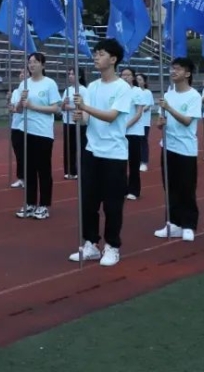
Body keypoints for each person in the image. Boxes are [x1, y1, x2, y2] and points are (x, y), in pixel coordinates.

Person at [69, 38, 133, 267]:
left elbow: (111, 116)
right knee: (88, 202)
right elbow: (88, 119)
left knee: (112, 204)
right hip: (92, 151)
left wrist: (85, 107)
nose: (96, 57)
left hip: (114, 154)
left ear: (113, 59)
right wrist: (80, 116)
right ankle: (91, 244)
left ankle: (112, 246)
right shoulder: (93, 87)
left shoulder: (123, 88)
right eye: (95, 53)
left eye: (101, 54)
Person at [154, 57, 202, 241]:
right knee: (170, 187)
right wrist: (160, 123)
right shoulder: (168, 95)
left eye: (178, 69)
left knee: (186, 188)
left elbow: (187, 121)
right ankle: (173, 223)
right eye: (172, 68)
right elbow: (161, 122)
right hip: (168, 147)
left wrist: (169, 108)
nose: (173, 72)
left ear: (187, 73)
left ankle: (188, 224)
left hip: (185, 149)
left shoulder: (194, 96)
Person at [15, 52, 62, 220]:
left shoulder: (49, 83)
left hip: (43, 132)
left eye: (35, 62)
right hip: (25, 130)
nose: (32, 65)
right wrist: (21, 102)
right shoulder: (24, 84)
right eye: (30, 62)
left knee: (43, 169)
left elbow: (56, 108)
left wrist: (33, 106)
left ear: (43, 65)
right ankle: (30, 203)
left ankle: (43, 205)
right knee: (28, 169)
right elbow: (18, 110)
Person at [120, 67, 147, 200]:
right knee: (120, 161)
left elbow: (138, 113)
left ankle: (134, 190)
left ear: (133, 77)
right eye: (123, 75)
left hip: (133, 132)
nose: (125, 77)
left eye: (128, 75)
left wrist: (125, 126)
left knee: (133, 162)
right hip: (120, 132)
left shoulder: (137, 91)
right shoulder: (119, 91)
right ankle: (123, 188)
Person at [60, 67, 88, 180]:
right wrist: (64, 103)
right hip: (67, 122)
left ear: (79, 76)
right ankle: (69, 171)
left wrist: (71, 107)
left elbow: (86, 107)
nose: (70, 76)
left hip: (79, 122)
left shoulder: (83, 90)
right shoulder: (67, 90)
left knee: (80, 147)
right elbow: (62, 107)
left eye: (73, 74)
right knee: (68, 147)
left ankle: (81, 170)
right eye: (69, 74)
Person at [7, 68, 28, 189]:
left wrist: (15, 109)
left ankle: (26, 177)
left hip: (24, 125)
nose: (21, 75)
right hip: (15, 125)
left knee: (24, 153)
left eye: (24, 73)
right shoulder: (16, 91)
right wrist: (8, 100)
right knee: (18, 153)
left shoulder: (28, 89)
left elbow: (21, 109)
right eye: (20, 73)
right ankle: (21, 178)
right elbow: (11, 108)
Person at [135, 73, 152, 172]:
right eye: (137, 79)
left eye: (140, 79)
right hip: (134, 122)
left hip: (144, 122)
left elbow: (147, 106)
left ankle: (144, 162)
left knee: (143, 142)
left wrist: (138, 110)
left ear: (144, 82)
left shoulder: (147, 92)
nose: (138, 81)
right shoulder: (133, 91)